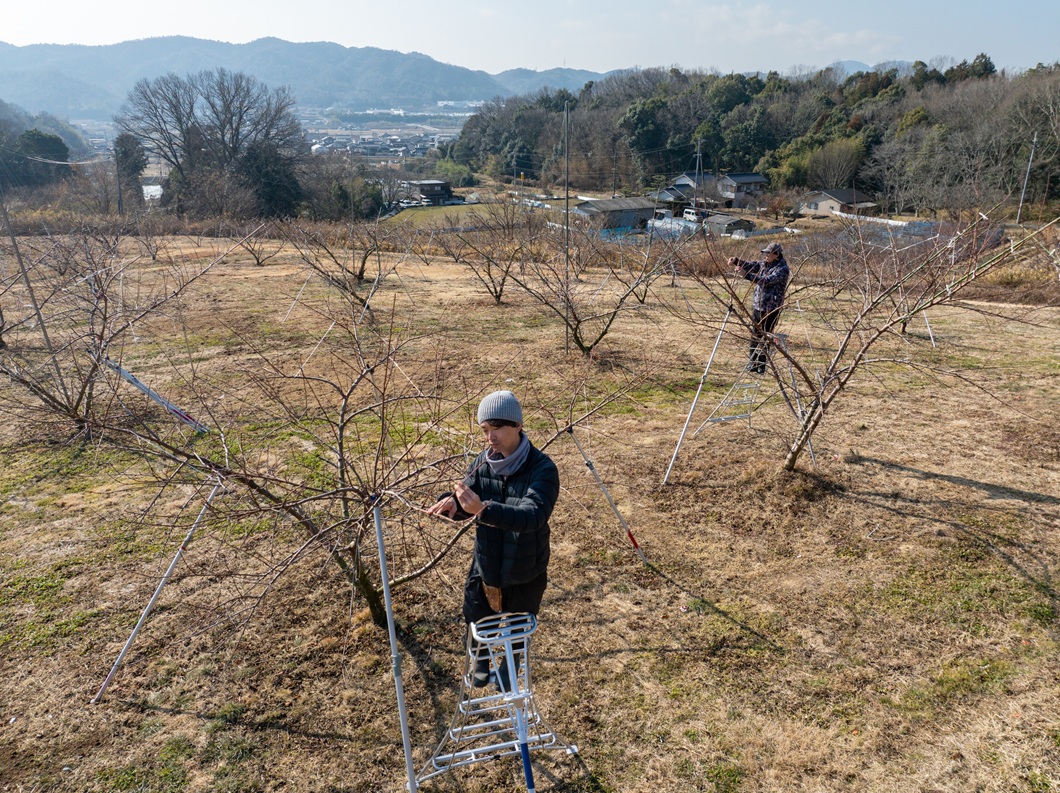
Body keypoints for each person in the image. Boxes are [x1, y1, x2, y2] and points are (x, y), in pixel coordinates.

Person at [426, 390, 559, 687]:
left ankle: (509, 663)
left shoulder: (543, 469)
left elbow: (532, 516)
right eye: (485, 430)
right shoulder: (483, 462)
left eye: (496, 428)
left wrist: (483, 509)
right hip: (486, 562)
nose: (490, 438)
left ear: (517, 425)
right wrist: (453, 504)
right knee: (475, 615)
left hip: (524, 567)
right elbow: (468, 501)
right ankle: (482, 658)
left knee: (518, 624)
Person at [728, 241, 790, 374]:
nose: (766, 256)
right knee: (755, 335)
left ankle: (761, 365)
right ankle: (752, 363)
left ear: (777, 254)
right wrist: (737, 261)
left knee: (765, 336)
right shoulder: (764, 264)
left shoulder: (782, 269)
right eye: (765, 253)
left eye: (768, 253)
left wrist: (746, 275)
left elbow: (766, 281)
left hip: (771, 308)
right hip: (758, 305)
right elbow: (752, 265)